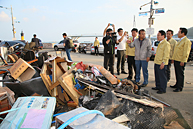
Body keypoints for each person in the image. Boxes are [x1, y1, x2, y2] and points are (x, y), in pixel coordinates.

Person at [170, 28, 192, 92]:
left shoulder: (186, 41)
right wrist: (173, 58)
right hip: (177, 59)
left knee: (180, 74)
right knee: (177, 73)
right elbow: (176, 51)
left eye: (179, 32)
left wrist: (183, 60)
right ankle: (177, 84)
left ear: (183, 33)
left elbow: (186, 52)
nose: (178, 33)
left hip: (181, 60)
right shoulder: (180, 41)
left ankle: (179, 87)